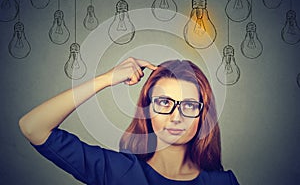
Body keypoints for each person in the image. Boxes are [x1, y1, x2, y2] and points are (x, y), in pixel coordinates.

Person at [19, 57, 239, 185]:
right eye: (164, 102)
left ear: (203, 114)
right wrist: (106, 79)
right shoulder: (116, 170)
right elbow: (33, 127)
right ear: (147, 108)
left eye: (189, 105)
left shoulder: (222, 182)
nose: (176, 116)